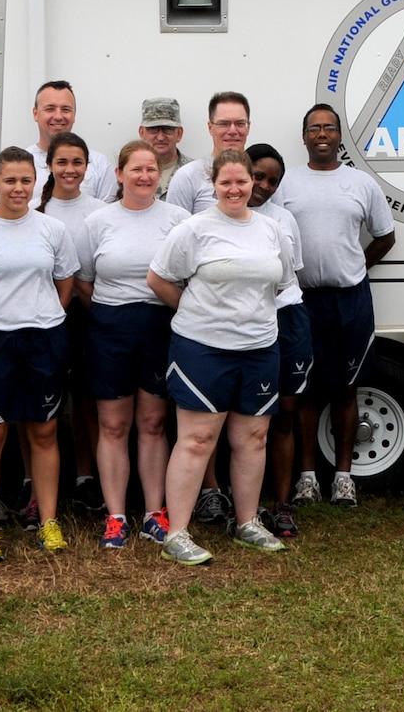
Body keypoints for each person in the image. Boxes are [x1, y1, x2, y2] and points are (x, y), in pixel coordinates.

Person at [147, 150, 297, 565]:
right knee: (197, 440)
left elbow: (283, 283)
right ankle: (176, 532)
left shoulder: (272, 230)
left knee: (252, 439)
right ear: (213, 184)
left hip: (260, 348)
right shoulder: (193, 229)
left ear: (254, 183)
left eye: (242, 182)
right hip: (202, 350)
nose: (234, 189)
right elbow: (158, 279)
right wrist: (199, 314)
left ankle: (247, 522)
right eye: (225, 182)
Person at [0, 146, 81, 564]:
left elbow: (65, 284)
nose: (18, 188)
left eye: (26, 180)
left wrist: (43, 317)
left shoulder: (52, 230)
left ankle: (48, 522)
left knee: (43, 432)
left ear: (36, 181)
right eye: (10, 180)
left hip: (44, 339)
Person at [277, 106, 396, 513]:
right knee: (305, 389)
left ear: (340, 136)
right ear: (305, 136)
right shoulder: (287, 183)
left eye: (329, 127)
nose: (322, 133)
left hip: (350, 299)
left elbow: (385, 236)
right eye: (314, 128)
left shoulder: (360, 183)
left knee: (346, 389)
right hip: (302, 299)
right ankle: (307, 479)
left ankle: (344, 478)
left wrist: (357, 265)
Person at [77, 140, 189, 549]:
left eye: (151, 170)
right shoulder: (98, 221)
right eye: (135, 169)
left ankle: (154, 513)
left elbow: (185, 276)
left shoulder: (177, 219)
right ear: (120, 174)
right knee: (112, 424)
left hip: (160, 325)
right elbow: (85, 280)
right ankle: (116, 517)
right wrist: (113, 314)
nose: (144, 176)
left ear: (160, 177)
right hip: (110, 326)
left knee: (154, 424)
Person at [37, 130, 108, 513]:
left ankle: (86, 478)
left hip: (86, 314)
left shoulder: (99, 210)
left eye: (77, 162)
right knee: (37, 401)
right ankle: (33, 483)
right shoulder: (34, 208)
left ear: (87, 166)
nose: (70, 169)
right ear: (49, 166)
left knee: (85, 400)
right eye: (61, 162)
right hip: (39, 317)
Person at [246, 143, 310, 537]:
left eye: (273, 180)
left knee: (284, 415)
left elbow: (293, 275)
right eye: (258, 175)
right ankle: (241, 504)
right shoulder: (217, 217)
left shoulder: (285, 220)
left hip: (287, 318)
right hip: (244, 322)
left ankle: (281, 505)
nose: (264, 185)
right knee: (244, 420)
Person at [165, 91, 253, 214]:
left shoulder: (263, 176)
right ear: (210, 127)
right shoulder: (187, 177)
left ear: (248, 127)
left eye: (240, 123)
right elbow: (174, 227)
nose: (233, 130)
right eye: (224, 124)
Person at [27, 81, 116, 201]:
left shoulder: (99, 164)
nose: (58, 116)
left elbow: (108, 215)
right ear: (35, 114)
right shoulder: (21, 163)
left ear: (74, 114)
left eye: (65, 109)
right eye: (50, 109)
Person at [140, 97, 193, 199]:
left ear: (179, 134)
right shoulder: (129, 173)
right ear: (142, 133)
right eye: (153, 129)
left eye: (167, 129)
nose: (160, 137)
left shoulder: (196, 171)